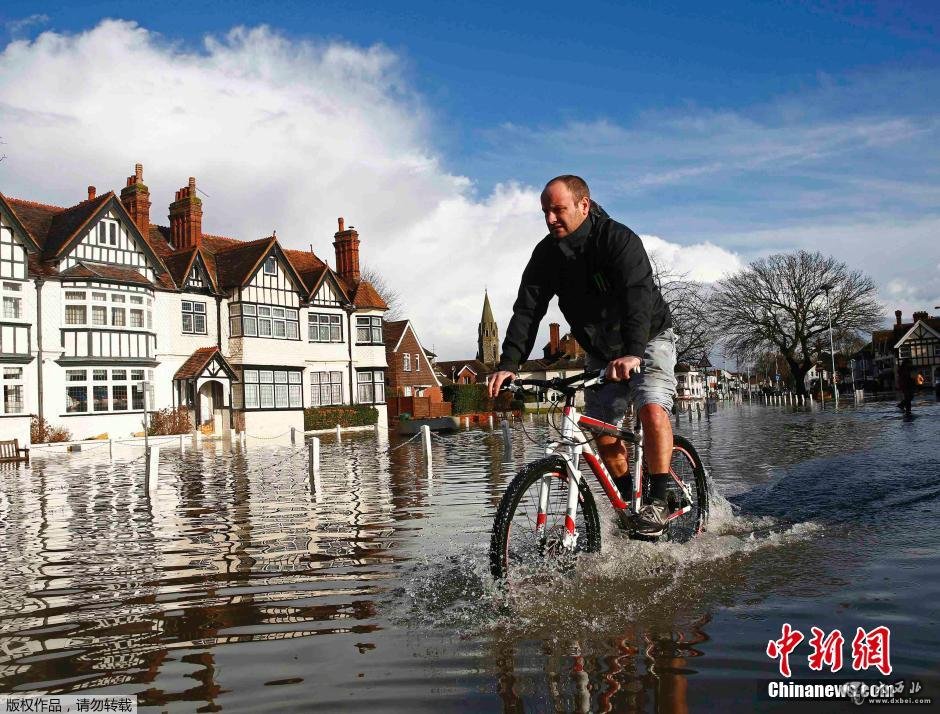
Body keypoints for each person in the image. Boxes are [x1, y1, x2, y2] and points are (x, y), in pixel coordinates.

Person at [486, 175, 678, 537]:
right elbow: (528, 311)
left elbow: (638, 296)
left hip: (647, 338)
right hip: (601, 352)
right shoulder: (546, 256)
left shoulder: (618, 240)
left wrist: (634, 352)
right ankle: (628, 506)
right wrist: (508, 365)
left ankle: (659, 498)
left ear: (583, 205)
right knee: (600, 428)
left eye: (558, 210)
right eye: (545, 212)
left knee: (651, 406)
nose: (551, 219)